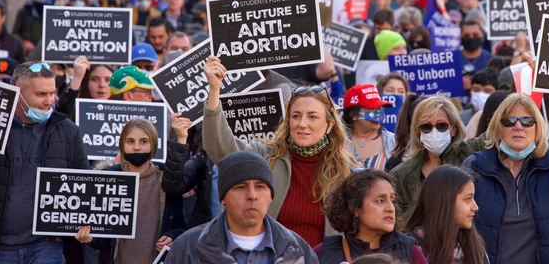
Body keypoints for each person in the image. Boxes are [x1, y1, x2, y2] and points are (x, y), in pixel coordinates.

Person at [201, 56, 352, 247]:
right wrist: (214, 90)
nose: (302, 123)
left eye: (312, 117)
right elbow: (222, 151)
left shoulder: (346, 172)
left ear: (329, 125)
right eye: (295, 116)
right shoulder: (266, 155)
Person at [463, 84, 549, 264]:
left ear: (537, 130)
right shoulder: (476, 166)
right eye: (509, 120)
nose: (518, 126)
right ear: (498, 128)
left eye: (527, 121)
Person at [0, 62, 89, 262]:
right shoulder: (0, 128)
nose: (49, 101)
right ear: (17, 94)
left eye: (51, 93)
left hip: (46, 244)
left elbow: (83, 181)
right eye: (41, 94)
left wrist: (86, 226)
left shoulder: (67, 130)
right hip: (2, 246)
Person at [165, 151, 319, 263]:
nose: (252, 195)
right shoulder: (188, 248)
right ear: (223, 197)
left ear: (271, 196)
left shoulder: (297, 250)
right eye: (240, 187)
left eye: (260, 187)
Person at [75, 119, 186, 263]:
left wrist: (173, 236)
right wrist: (90, 237)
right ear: (122, 145)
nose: (137, 147)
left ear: (153, 145)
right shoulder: (107, 179)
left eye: (143, 141)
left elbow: (181, 226)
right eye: (130, 141)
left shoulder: (166, 180)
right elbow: (101, 235)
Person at [390, 96, 485, 218]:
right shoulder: (400, 174)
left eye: (441, 126)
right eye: (426, 127)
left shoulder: (469, 155)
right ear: (418, 132)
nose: (434, 132)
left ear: (453, 129)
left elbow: (496, 133)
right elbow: (399, 223)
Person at [318, 169, 427, 263]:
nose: (391, 208)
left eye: (392, 200)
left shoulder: (409, 252)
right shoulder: (325, 253)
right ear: (355, 208)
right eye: (380, 201)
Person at [405, 165, 488, 264]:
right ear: (445, 202)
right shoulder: (410, 248)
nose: (475, 207)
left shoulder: (473, 245)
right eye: (468, 199)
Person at [342, 85, 395, 169]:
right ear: (353, 114)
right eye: (371, 109)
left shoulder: (393, 141)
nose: (378, 114)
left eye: (379, 109)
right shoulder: (336, 142)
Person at [56, 56, 114, 121]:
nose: (102, 85)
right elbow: (60, 115)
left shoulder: (122, 110)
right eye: (94, 79)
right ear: (86, 82)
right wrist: (77, 78)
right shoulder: (75, 110)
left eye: (108, 80)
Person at [385, 95, 428, 171]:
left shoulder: (455, 157)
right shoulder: (396, 163)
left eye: (441, 125)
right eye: (426, 125)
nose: (434, 130)